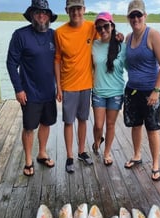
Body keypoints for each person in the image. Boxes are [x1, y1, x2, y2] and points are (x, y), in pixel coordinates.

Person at [6, 0, 57, 176]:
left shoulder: (54, 35)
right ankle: (28, 160)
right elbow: (11, 63)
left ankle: (42, 153)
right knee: (29, 127)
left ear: (49, 16)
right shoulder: (20, 35)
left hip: (49, 91)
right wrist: (18, 89)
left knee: (46, 123)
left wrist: (115, 37)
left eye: (45, 13)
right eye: (38, 12)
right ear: (32, 15)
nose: (42, 16)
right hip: (29, 92)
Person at [124, 0, 160, 181]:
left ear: (145, 16)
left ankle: (155, 164)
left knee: (152, 128)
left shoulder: (153, 36)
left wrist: (156, 91)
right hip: (132, 90)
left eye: (139, 15)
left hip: (151, 91)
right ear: (128, 18)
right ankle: (137, 155)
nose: (136, 19)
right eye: (132, 16)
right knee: (135, 125)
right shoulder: (128, 38)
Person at [54, 0, 97, 173]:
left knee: (83, 119)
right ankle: (69, 156)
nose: (76, 12)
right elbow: (56, 60)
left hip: (86, 84)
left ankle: (81, 152)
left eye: (79, 9)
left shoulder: (92, 27)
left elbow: (107, 36)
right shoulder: (59, 32)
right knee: (68, 121)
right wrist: (58, 86)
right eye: (72, 9)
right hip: (68, 85)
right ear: (67, 10)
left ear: (84, 10)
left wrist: (118, 36)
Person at [91, 12, 126, 166]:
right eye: (99, 28)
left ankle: (107, 152)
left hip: (116, 92)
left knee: (110, 125)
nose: (103, 30)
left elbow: (135, 62)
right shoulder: (93, 45)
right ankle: (97, 141)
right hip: (98, 91)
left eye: (106, 26)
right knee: (98, 125)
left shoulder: (122, 46)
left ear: (112, 26)